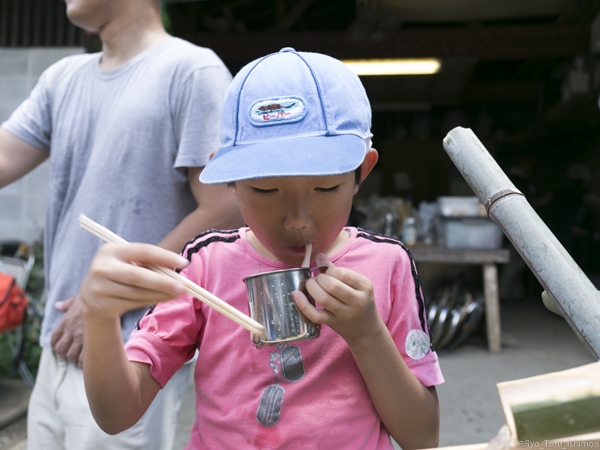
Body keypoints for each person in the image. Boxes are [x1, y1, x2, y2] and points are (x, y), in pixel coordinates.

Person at [80, 48, 444, 449]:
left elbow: (422, 437)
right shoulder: (205, 264)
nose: (298, 220)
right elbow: (117, 415)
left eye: (326, 188)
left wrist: (367, 334)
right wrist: (100, 317)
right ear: (230, 180)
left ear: (363, 170)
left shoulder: (386, 264)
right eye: (265, 190)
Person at [0, 0, 243, 449]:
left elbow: (226, 207)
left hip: (134, 354)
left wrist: (101, 306)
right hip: (59, 344)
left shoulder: (192, 71)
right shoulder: (62, 77)